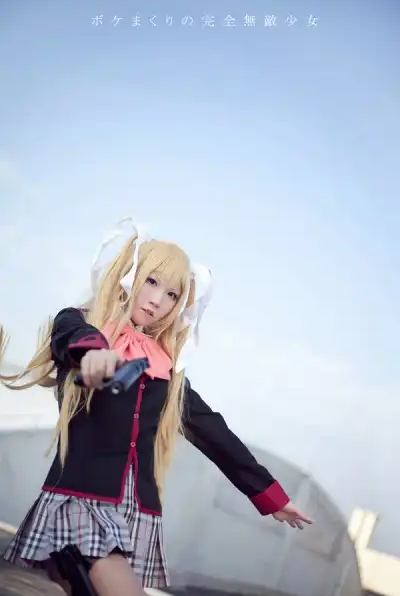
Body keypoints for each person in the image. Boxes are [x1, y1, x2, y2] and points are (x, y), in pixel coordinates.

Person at [0, 218, 312, 596]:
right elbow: (75, 338)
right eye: (151, 281)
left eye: (172, 294)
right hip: (81, 501)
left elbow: (215, 433)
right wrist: (94, 356)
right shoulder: (81, 323)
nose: (157, 300)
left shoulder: (166, 372)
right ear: (130, 275)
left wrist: (270, 496)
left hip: (133, 510)